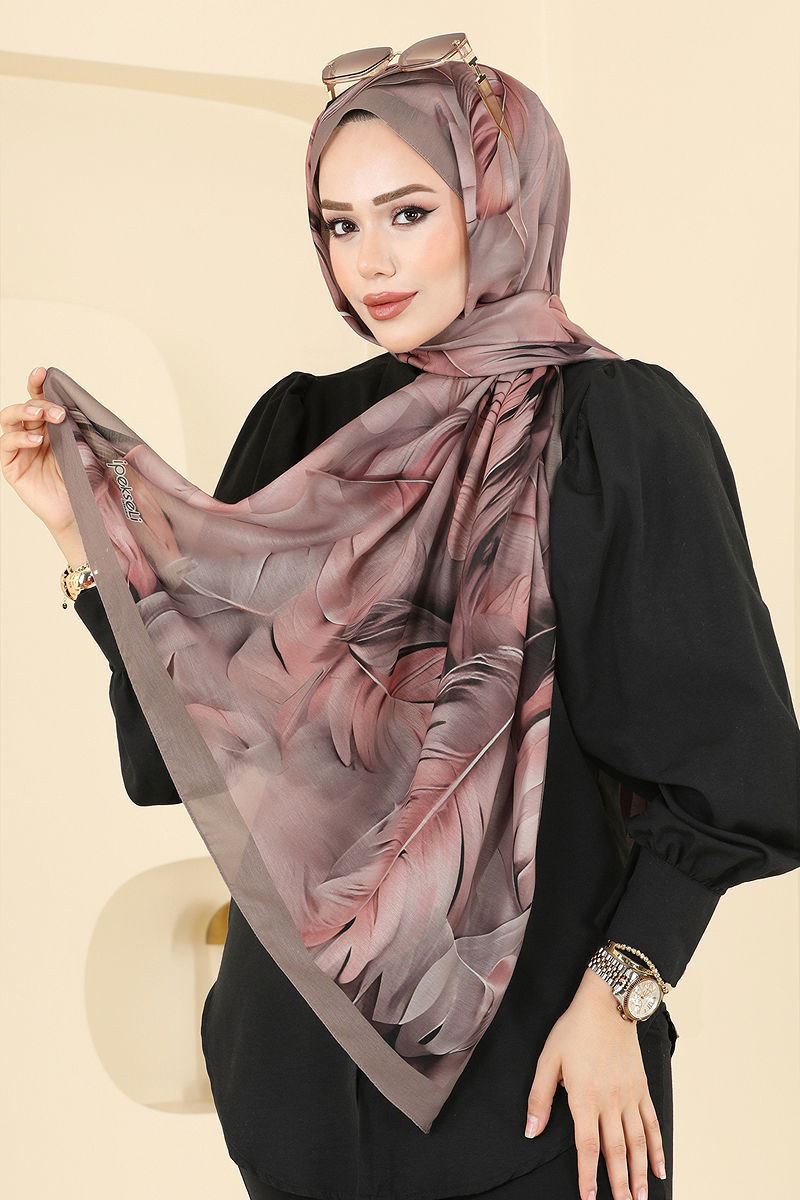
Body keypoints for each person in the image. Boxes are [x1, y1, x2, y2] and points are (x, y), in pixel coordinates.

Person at [2, 34, 799, 1200]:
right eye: (338, 224)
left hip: (541, 1081)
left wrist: (619, 996)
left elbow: (731, 771)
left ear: (500, 202)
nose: (368, 261)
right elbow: (195, 750)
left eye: (408, 213)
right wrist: (82, 548)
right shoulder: (303, 431)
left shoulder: (614, 431)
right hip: (297, 1086)